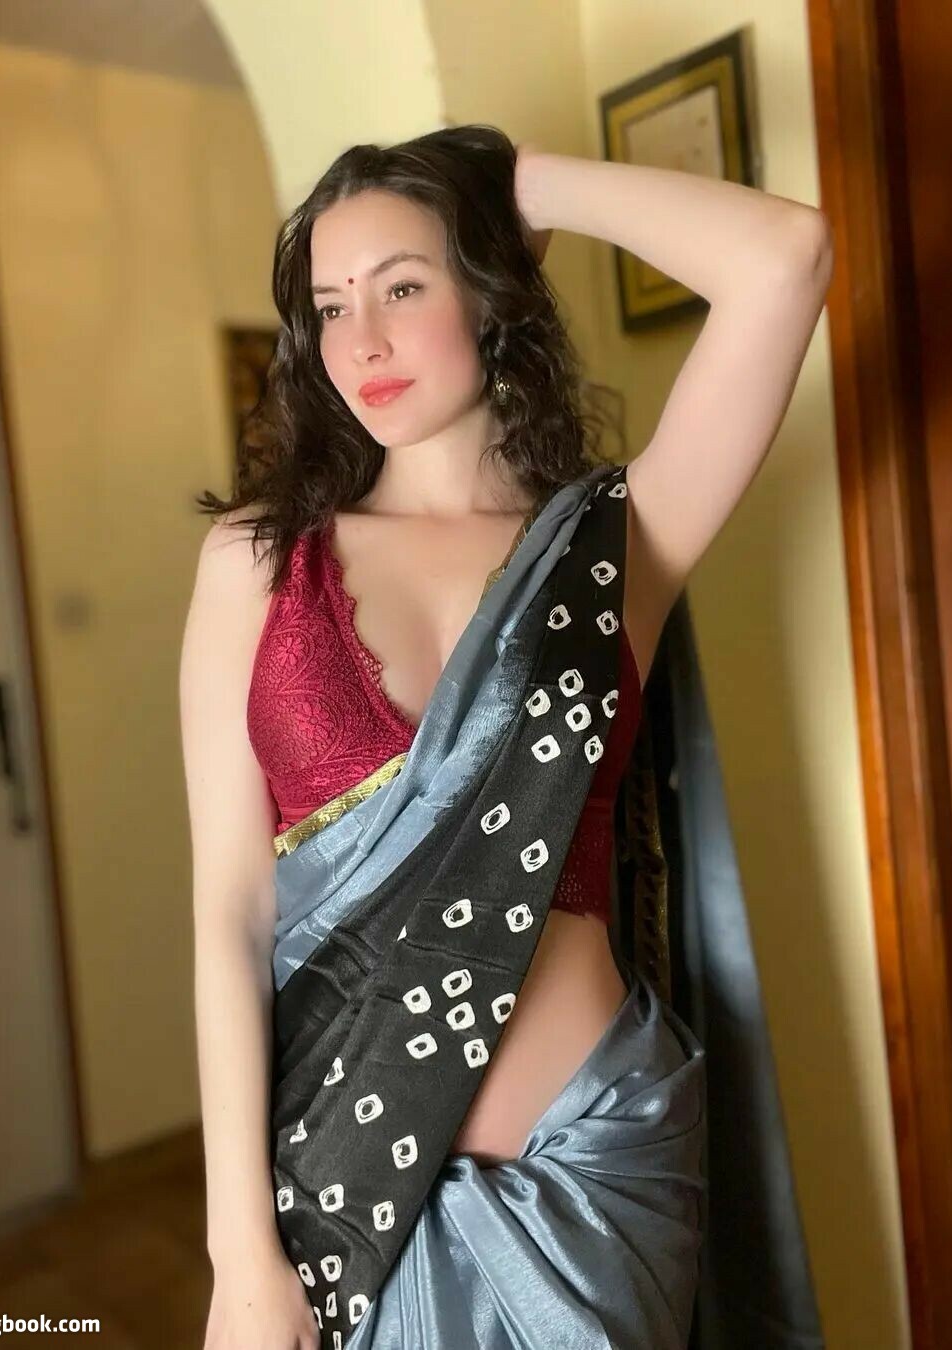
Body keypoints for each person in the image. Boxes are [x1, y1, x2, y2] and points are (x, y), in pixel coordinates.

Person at [180, 125, 833, 1350]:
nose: (361, 342)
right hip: (339, 1185)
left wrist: (512, 181)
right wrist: (239, 1252)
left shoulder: (616, 546)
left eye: (403, 287)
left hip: (598, 1175)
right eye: (330, 307)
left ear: (489, 290)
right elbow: (231, 915)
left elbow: (786, 257)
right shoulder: (257, 564)